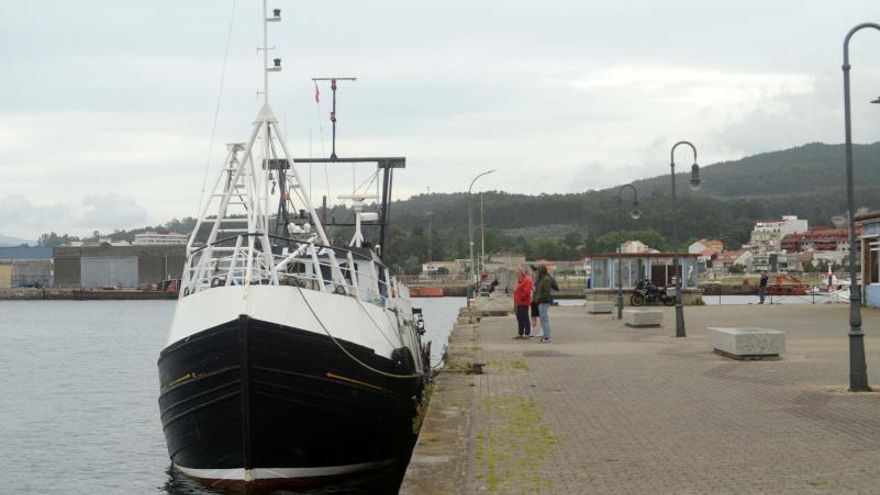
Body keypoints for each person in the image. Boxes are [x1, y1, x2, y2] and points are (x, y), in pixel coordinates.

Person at [533, 264, 556, 343]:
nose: (537, 272)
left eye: (538, 270)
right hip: (541, 301)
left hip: (543, 301)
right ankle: (545, 335)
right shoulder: (542, 278)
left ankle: (547, 337)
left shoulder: (545, 279)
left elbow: (546, 291)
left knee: (544, 319)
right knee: (543, 319)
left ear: (541, 271)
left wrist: (539, 298)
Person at [512, 266, 533, 339]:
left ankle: (527, 333)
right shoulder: (520, 280)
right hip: (518, 302)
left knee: (524, 317)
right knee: (519, 317)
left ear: (521, 272)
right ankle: (520, 333)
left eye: (517, 272)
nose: (516, 274)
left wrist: (520, 298)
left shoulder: (527, 280)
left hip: (523, 302)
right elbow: (518, 290)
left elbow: (526, 291)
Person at [529, 265, 541, 337]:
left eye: (534, 271)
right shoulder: (533, 279)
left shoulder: (539, 279)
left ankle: (542, 331)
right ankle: (531, 331)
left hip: (538, 300)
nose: (533, 273)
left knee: (541, 316)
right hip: (533, 300)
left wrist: (534, 288)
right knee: (533, 316)